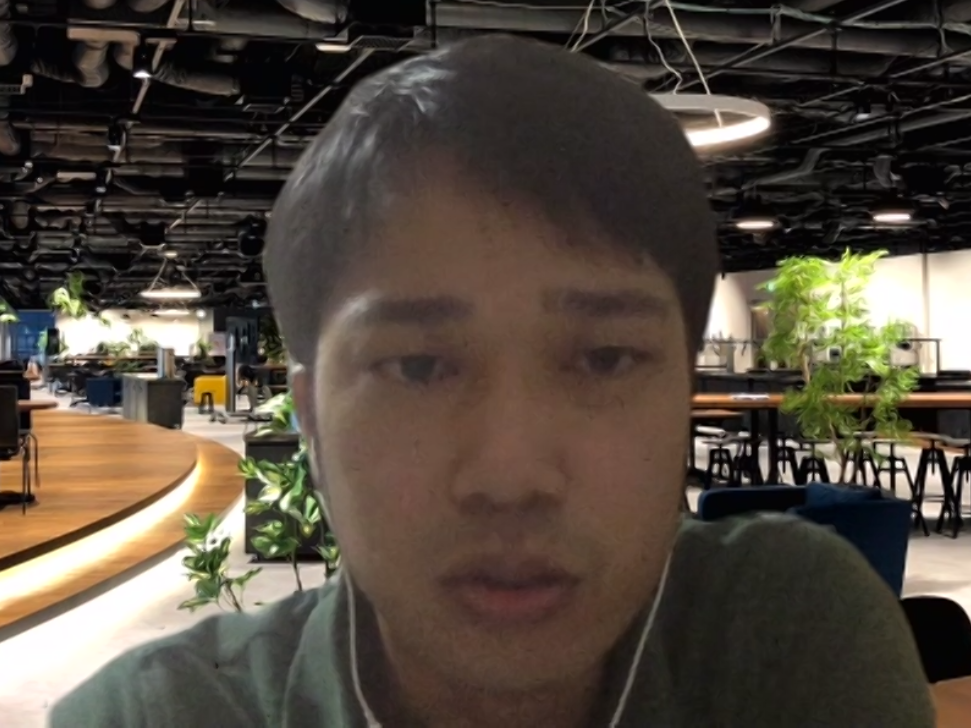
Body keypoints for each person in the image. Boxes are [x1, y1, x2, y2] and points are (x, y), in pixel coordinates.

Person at [51, 36, 934, 728]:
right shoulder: (155, 715)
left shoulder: (783, 638)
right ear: (311, 419)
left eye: (603, 359)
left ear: (680, 399)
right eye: (419, 366)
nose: (510, 476)